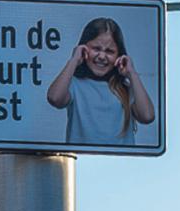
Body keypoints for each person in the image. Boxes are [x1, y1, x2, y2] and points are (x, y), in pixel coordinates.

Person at [46, 17, 156, 146]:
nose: (102, 56)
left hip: (119, 164)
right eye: (96, 49)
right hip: (83, 163)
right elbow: (54, 98)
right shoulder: (74, 84)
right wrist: (74, 60)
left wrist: (132, 73)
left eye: (109, 51)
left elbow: (147, 116)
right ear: (84, 48)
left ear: (119, 56)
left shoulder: (126, 88)